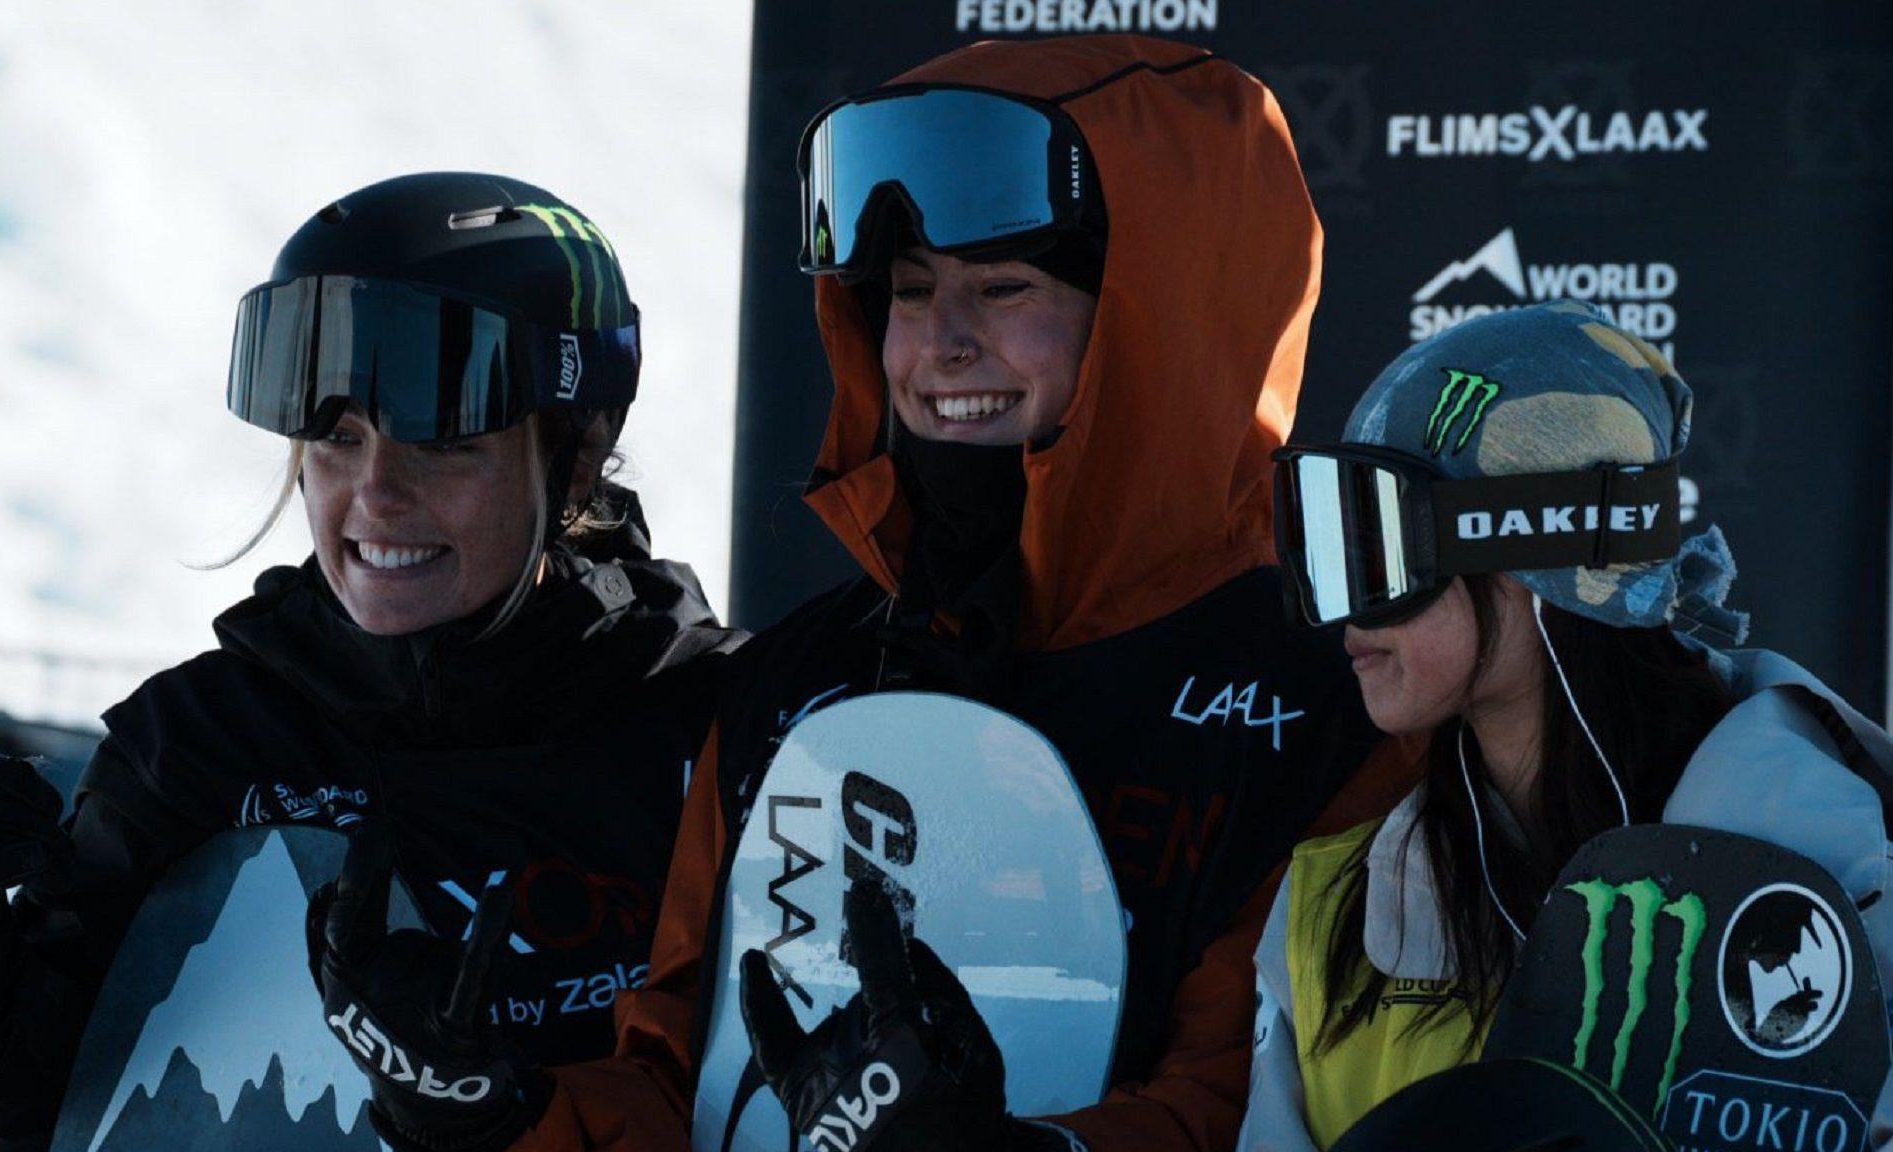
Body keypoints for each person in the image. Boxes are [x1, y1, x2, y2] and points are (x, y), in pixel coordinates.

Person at [404, 35, 1418, 1152]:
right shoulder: (796, 680)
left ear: (1162, 323)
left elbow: (1255, 1101)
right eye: (909, 290)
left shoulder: (1337, 694)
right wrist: (515, 1116)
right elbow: (682, 1085)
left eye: (1002, 287)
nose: (939, 344)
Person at [0, 172, 742, 1152]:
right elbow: (31, 1118)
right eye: (338, 436)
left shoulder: (716, 729)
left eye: (441, 442)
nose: (375, 493)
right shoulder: (200, 744)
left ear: (572, 458)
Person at [1239, 301, 1893, 1149]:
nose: (1340, 614)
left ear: (1529, 559)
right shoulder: (1333, 911)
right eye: (1330, 548)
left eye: (1380, 551)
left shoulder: (1833, 875)